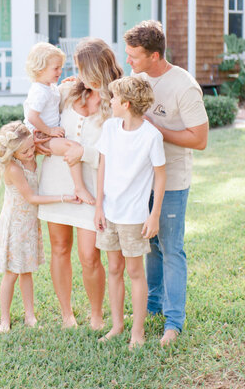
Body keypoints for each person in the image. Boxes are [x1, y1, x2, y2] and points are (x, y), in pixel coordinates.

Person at [124, 20, 208, 346]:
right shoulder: (137, 78)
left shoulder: (184, 86)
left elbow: (199, 140)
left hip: (171, 180)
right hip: (140, 180)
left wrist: (156, 128)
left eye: (134, 56)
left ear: (155, 55)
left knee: (171, 249)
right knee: (151, 247)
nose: (128, 60)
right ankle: (153, 306)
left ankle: (173, 322)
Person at [38, 38, 123, 329]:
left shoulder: (117, 102)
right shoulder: (64, 92)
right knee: (59, 247)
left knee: (89, 256)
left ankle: (97, 315)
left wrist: (82, 152)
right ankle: (67, 315)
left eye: (81, 67)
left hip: (92, 190)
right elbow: (40, 131)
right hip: (56, 182)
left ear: (98, 68)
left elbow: (120, 153)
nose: (76, 72)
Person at [94, 77, 166, 348]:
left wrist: (154, 214)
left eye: (113, 98)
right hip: (109, 213)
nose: (109, 101)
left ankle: (138, 331)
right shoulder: (110, 128)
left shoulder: (151, 136)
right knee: (114, 268)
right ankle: (117, 325)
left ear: (125, 104)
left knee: (135, 272)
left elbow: (160, 176)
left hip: (134, 216)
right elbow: (102, 166)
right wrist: (99, 206)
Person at [0, 120, 79, 333]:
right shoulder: (13, 167)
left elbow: (39, 147)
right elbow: (31, 197)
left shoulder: (29, 154)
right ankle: (5, 318)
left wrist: (39, 141)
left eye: (32, 147)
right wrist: (63, 198)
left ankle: (29, 314)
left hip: (30, 223)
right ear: (12, 153)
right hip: (16, 224)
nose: (32, 153)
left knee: (27, 270)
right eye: (25, 151)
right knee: (12, 272)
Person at [24, 42, 95, 205]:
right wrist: (49, 131)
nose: (60, 71)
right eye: (55, 68)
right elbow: (32, 116)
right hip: (40, 135)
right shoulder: (39, 91)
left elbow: (55, 98)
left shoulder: (48, 87)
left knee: (71, 147)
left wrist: (69, 82)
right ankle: (79, 187)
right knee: (72, 148)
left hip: (45, 133)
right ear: (40, 69)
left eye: (60, 67)